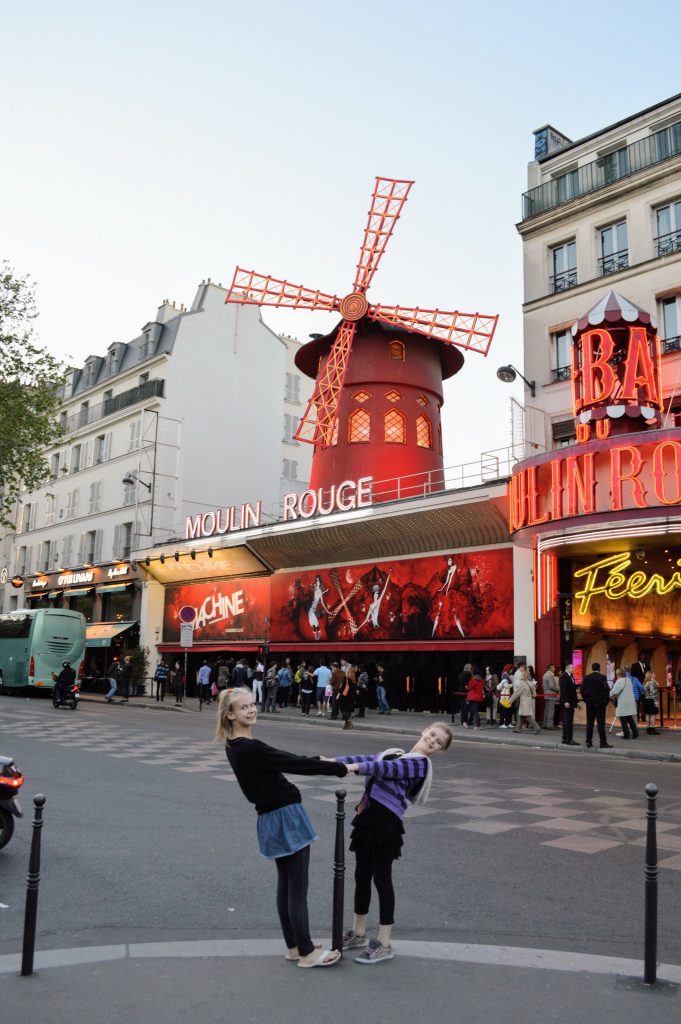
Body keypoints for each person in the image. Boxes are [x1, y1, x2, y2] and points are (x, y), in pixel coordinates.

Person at [217, 687, 346, 968]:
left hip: (270, 818)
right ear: (230, 714)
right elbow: (290, 763)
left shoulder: (235, 746)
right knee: (297, 887)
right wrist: (338, 768)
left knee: (287, 885)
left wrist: (316, 760)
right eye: (243, 707)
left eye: (252, 704)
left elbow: (283, 758)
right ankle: (307, 953)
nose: (251, 710)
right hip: (286, 816)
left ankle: (294, 946)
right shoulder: (250, 748)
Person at [332, 722, 452, 964]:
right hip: (369, 817)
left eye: (438, 742)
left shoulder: (418, 763)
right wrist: (331, 761)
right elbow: (369, 757)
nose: (432, 741)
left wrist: (350, 768)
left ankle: (384, 942)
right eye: (432, 734)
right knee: (361, 875)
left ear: (440, 750)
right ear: (424, 730)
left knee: (382, 879)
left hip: (386, 823)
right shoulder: (398, 752)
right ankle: (359, 932)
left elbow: (383, 768)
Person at [580, 662, 613, 749]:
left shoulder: (587, 678)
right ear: (599, 668)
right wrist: (605, 701)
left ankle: (588, 741)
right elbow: (606, 690)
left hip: (590, 704)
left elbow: (582, 690)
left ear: (592, 668)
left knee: (590, 723)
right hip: (600, 704)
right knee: (601, 724)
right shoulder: (602, 678)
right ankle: (603, 742)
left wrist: (586, 699)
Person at [509, 666, 541, 734]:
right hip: (529, 701)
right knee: (521, 715)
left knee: (528, 716)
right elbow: (535, 695)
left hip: (524, 702)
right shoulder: (531, 684)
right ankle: (517, 728)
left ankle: (537, 728)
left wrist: (510, 701)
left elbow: (516, 693)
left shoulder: (522, 684)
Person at [610, 667, 639, 739]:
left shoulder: (619, 681)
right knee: (630, 719)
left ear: (618, 674)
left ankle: (626, 735)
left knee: (623, 719)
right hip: (630, 702)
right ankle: (635, 733)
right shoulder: (628, 680)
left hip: (623, 703)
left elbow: (614, 691)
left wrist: (609, 694)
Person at [559, 663, 579, 745]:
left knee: (567, 721)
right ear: (567, 669)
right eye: (572, 668)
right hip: (567, 702)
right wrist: (566, 701)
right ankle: (569, 739)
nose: (574, 669)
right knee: (568, 721)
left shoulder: (571, 677)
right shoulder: (564, 676)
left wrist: (576, 702)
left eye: (574, 668)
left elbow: (573, 691)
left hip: (571, 702)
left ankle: (565, 738)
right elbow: (563, 690)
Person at [541, 664, 559, 729]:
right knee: (551, 710)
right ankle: (550, 725)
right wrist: (558, 689)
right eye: (553, 667)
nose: (554, 669)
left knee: (547, 710)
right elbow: (552, 686)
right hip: (551, 695)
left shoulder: (545, 675)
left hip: (546, 694)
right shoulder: (550, 675)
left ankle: (545, 724)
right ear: (550, 668)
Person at [643, 670, 660, 735]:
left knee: (647, 715)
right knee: (652, 715)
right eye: (653, 674)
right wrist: (656, 702)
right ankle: (652, 729)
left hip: (646, 700)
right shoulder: (651, 683)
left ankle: (648, 729)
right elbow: (653, 693)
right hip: (651, 700)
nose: (655, 675)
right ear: (650, 675)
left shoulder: (646, 682)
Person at [340, 664, 357, 730]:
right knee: (347, 711)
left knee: (343, 709)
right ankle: (347, 724)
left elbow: (342, 688)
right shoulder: (353, 679)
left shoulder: (346, 678)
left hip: (345, 696)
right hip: (351, 697)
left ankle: (348, 723)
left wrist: (339, 694)